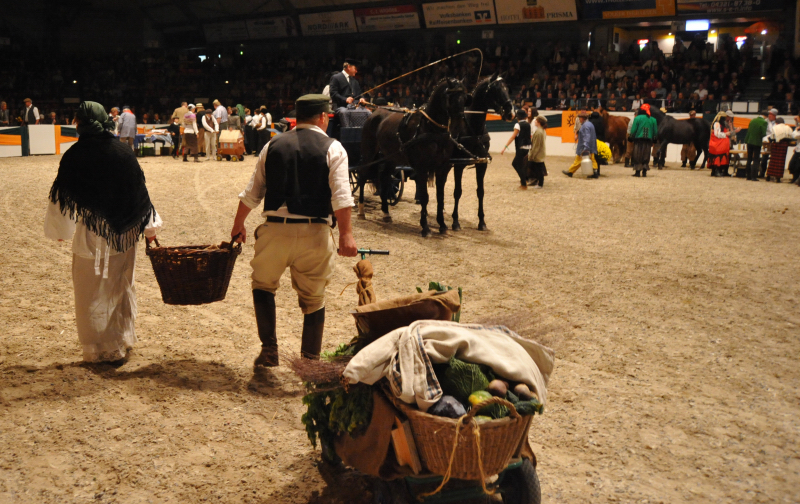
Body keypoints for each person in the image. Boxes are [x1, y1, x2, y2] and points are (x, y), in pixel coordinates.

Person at [229, 94, 357, 371]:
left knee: (263, 285)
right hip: (315, 233)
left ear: (295, 118)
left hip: (275, 230)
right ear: (323, 117)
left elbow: (252, 193)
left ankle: (269, 351)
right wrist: (346, 235)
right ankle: (309, 362)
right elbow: (342, 197)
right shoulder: (333, 147)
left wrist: (238, 225)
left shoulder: (272, 145)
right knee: (314, 299)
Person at [43, 101, 162, 364]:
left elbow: (62, 197)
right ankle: (118, 343)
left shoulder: (75, 155)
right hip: (124, 236)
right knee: (118, 287)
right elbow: (140, 196)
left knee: (89, 292)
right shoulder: (123, 152)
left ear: (80, 123)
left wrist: (63, 228)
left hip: (90, 235)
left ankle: (96, 350)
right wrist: (150, 229)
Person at [563, 110, 599, 179]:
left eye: (579, 118)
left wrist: (585, 148)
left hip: (584, 146)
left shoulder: (585, 126)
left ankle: (570, 172)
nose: (579, 119)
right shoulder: (590, 124)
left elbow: (586, 137)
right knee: (592, 159)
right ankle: (595, 172)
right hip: (591, 146)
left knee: (578, 160)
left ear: (582, 118)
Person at [501, 109, 532, 189]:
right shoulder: (528, 124)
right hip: (527, 147)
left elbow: (513, 137)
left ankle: (523, 182)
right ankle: (524, 180)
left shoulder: (517, 125)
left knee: (515, 164)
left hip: (520, 147)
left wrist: (505, 147)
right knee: (521, 164)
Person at [629, 104, 658, 177]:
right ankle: (644, 171)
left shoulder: (637, 118)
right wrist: (654, 138)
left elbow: (633, 129)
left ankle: (638, 172)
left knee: (637, 154)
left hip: (638, 139)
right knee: (646, 154)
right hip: (648, 140)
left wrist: (631, 136)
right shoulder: (653, 119)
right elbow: (655, 131)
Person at [709, 110, 739, 177]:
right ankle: (716, 171)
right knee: (718, 157)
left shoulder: (725, 124)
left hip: (723, 143)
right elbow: (717, 134)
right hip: (717, 143)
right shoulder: (717, 124)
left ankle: (722, 171)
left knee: (723, 157)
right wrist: (726, 134)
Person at [744, 110, 768, 181]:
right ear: (765, 116)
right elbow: (763, 133)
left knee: (749, 158)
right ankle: (754, 176)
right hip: (757, 142)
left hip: (749, 141)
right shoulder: (764, 122)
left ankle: (748, 176)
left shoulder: (753, 120)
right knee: (756, 159)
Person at [527, 116, 547, 189]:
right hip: (539, 153)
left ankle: (540, 184)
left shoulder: (539, 132)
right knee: (538, 168)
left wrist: (532, 155)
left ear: (539, 122)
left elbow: (536, 146)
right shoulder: (541, 130)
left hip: (538, 154)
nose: (534, 122)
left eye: (536, 121)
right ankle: (538, 182)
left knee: (538, 169)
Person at [759, 108, 778, 178]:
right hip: (766, 141)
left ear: (774, 115)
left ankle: (771, 174)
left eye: (771, 114)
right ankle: (762, 173)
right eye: (769, 114)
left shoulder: (777, 122)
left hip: (775, 142)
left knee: (774, 159)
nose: (769, 115)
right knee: (764, 158)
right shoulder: (765, 121)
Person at [790, 116, 800, 185]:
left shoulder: (797, 130)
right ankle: (794, 179)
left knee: (797, 166)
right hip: (798, 148)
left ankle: (796, 179)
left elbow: (795, 136)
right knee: (792, 164)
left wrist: (796, 130)